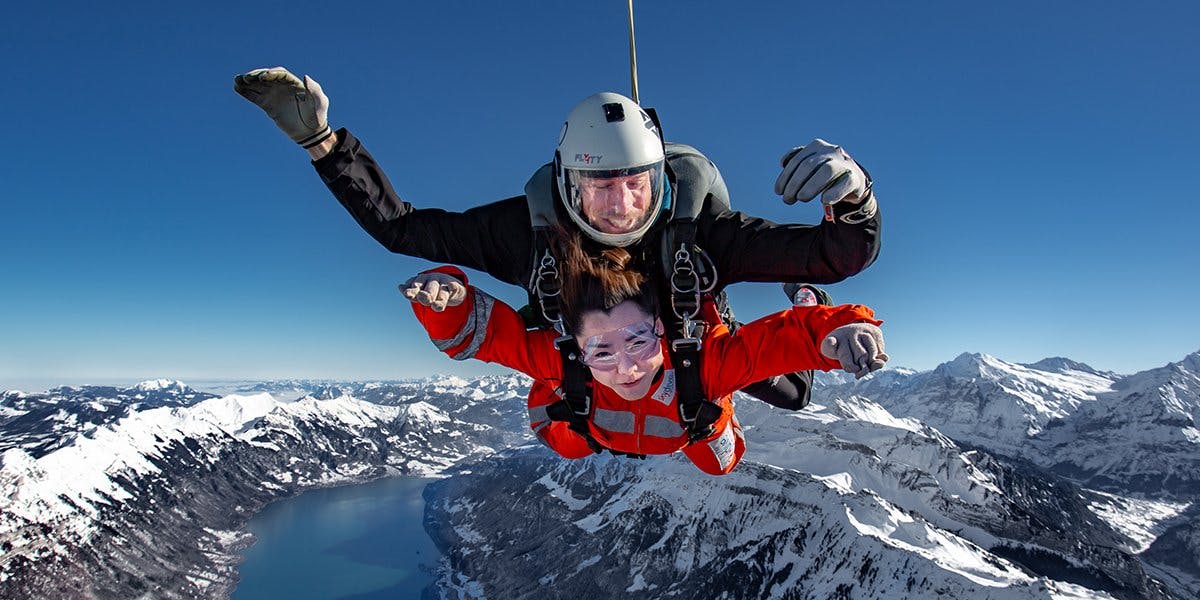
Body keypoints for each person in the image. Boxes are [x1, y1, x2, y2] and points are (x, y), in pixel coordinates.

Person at [234, 67, 882, 411]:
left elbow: (838, 255)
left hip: (686, 342)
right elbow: (402, 228)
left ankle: (805, 304)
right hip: (591, 357)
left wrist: (852, 197)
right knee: (573, 398)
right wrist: (323, 144)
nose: (621, 206)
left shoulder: (701, 233)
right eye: (600, 187)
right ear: (569, 186)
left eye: (636, 184)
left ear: (660, 179)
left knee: (793, 395)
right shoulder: (526, 234)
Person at [400, 233, 887, 475]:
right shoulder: (564, 363)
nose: (627, 367)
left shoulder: (703, 366)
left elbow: (777, 344)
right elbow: (489, 337)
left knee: (778, 409)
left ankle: (807, 295)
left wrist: (836, 328)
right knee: (565, 439)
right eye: (601, 351)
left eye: (638, 342)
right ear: (578, 348)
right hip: (601, 428)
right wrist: (450, 304)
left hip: (689, 415)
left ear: (660, 331)